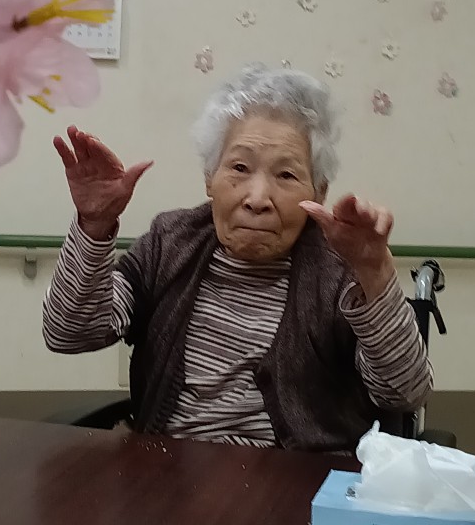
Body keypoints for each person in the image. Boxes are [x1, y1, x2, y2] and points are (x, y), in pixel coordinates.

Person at [43, 64, 432, 452]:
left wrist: (375, 272)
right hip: (168, 471)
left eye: (286, 175)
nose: (258, 199)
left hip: (300, 480)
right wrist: (94, 225)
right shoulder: (170, 243)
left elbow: (405, 392)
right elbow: (67, 332)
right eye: (240, 168)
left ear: (319, 190)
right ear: (209, 177)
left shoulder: (338, 271)